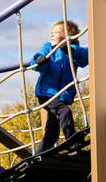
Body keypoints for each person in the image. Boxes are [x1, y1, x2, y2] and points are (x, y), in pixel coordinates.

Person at [28, 19, 87, 152]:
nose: (52, 35)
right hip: (46, 93)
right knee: (65, 112)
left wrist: (67, 48)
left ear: (67, 35)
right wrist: (40, 60)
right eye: (51, 32)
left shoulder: (74, 50)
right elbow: (37, 61)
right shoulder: (48, 47)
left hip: (62, 96)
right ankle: (72, 142)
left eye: (56, 32)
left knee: (53, 129)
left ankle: (41, 153)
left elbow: (84, 58)